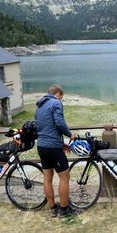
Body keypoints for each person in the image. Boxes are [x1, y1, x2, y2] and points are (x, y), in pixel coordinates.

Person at [35, 84, 77, 218]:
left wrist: (61, 144)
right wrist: (70, 134)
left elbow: (46, 128)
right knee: (65, 177)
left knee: (47, 178)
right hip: (53, 147)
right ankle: (64, 210)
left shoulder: (39, 106)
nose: (61, 99)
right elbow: (59, 123)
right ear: (58, 94)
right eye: (61, 97)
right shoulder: (56, 103)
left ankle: (53, 208)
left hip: (42, 146)